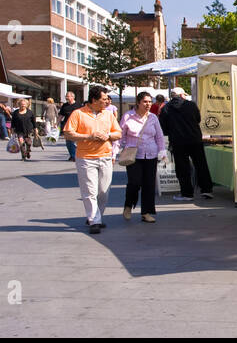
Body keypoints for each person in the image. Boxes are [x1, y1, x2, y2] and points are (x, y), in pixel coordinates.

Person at [63, 85, 121, 233]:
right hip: (86, 158)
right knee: (89, 190)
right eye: (104, 99)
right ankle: (95, 220)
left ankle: (96, 215)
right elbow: (68, 134)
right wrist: (89, 136)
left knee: (103, 190)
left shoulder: (108, 114)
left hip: (105, 157)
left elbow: (118, 133)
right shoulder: (78, 114)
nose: (107, 101)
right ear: (94, 100)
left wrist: (107, 136)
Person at [119, 91, 166, 223]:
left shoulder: (153, 118)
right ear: (138, 102)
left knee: (149, 184)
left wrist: (162, 150)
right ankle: (128, 205)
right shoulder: (128, 116)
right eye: (145, 101)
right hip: (133, 155)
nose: (148, 104)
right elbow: (120, 135)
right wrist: (116, 150)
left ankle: (146, 212)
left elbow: (159, 136)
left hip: (151, 154)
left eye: (150, 102)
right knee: (134, 183)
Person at [164, 86, 214, 200]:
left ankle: (187, 193)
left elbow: (164, 126)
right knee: (201, 164)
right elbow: (198, 119)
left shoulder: (166, 108)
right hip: (195, 139)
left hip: (178, 141)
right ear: (182, 95)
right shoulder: (191, 105)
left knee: (182, 168)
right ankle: (206, 189)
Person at [59, 92, 79, 161]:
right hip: (66, 125)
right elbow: (61, 115)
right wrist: (56, 123)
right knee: (68, 143)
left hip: (75, 126)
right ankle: (71, 155)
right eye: (66, 96)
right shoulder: (64, 106)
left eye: (68, 96)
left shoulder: (78, 105)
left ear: (73, 97)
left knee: (73, 141)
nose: (66, 98)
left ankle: (74, 156)